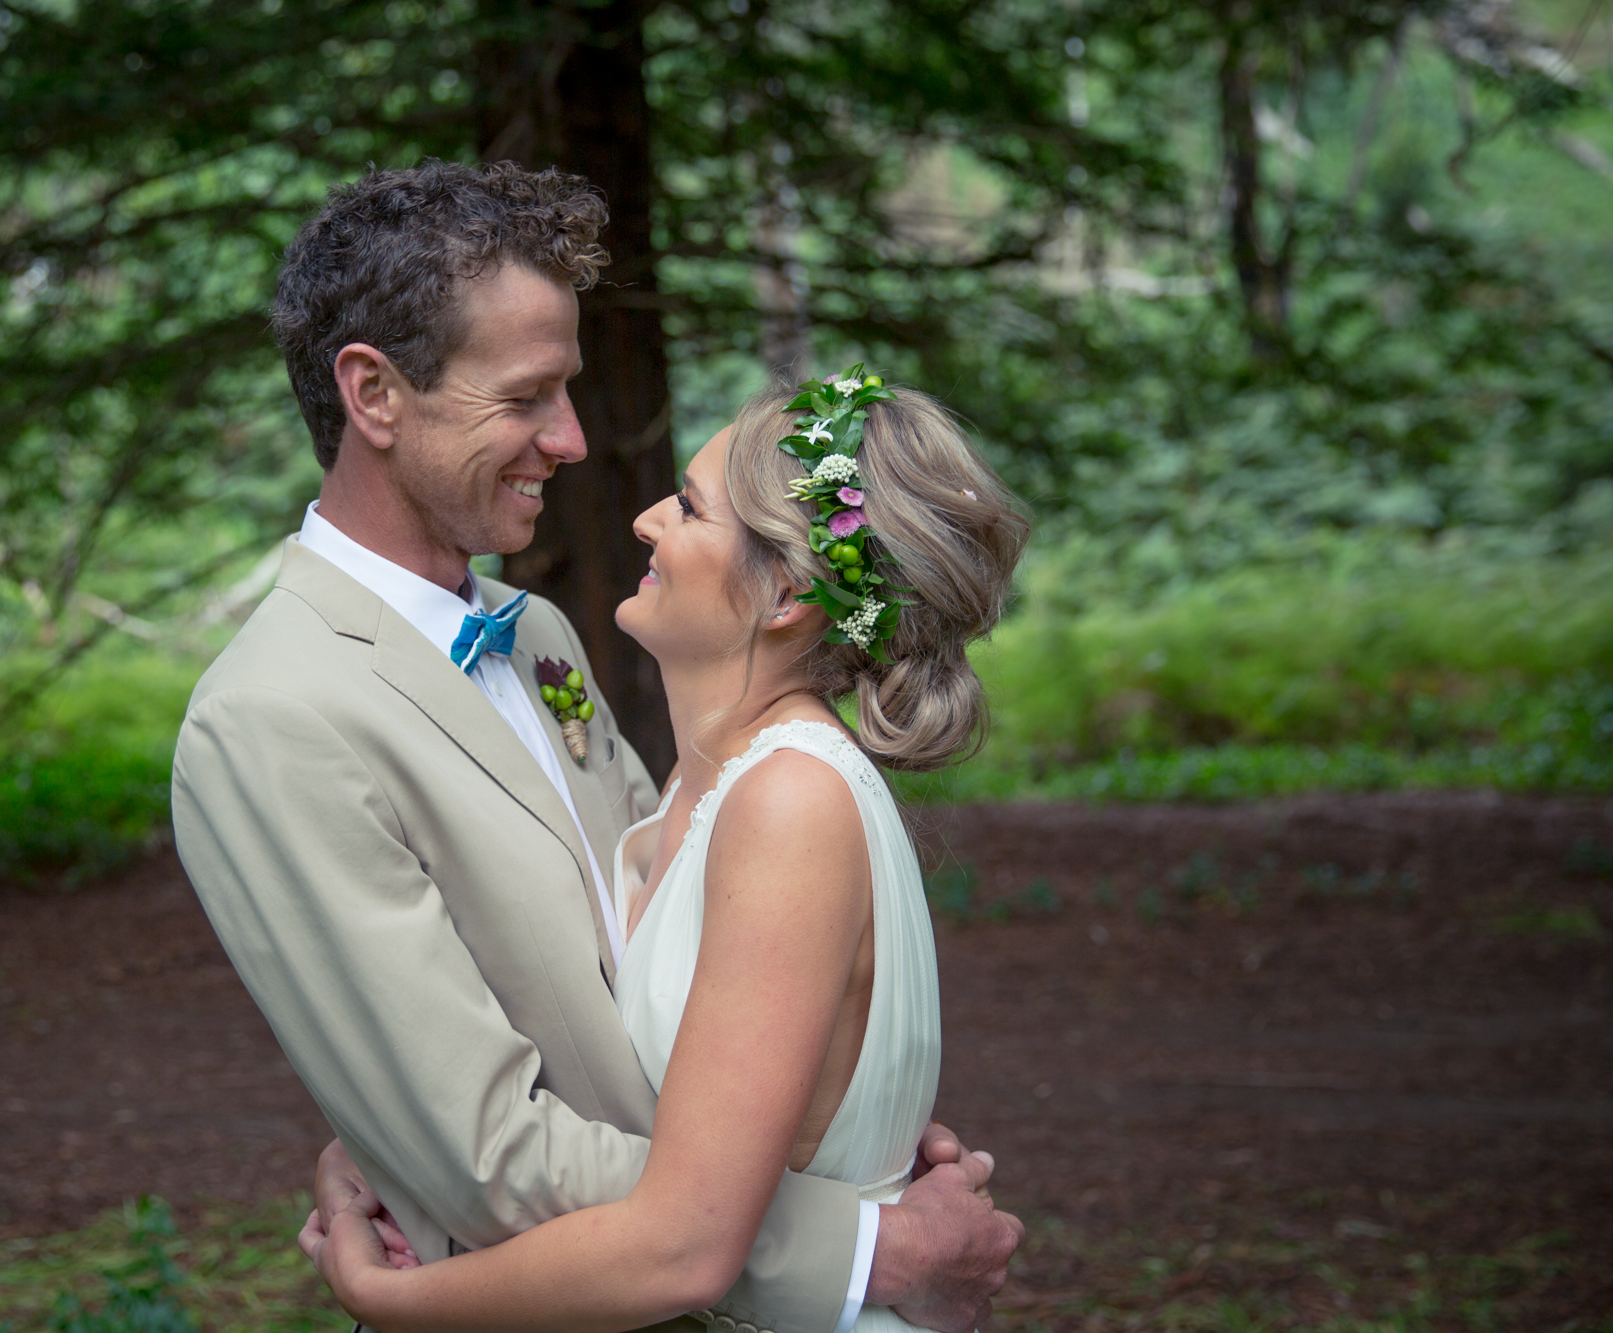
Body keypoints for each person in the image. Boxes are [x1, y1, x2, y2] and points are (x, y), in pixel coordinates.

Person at [170, 159, 1022, 1333]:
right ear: (373, 394)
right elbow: (486, 1153)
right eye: (526, 396)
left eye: (565, 389)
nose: (570, 439)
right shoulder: (274, 716)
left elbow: (658, 958)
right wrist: (860, 1239)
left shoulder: (536, 636)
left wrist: (838, 1122)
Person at [298, 367, 1030, 1332]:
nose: (645, 520)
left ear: (786, 594)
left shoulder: (790, 801)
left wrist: (394, 1299)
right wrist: (390, 1146)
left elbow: (687, 1245)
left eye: (688, 506)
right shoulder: (706, 783)